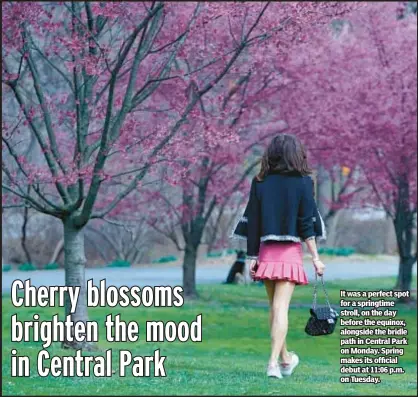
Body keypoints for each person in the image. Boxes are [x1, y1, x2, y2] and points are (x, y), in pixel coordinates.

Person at [230, 133, 327, 379]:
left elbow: (253, 222)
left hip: (265, 251)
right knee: (280, 307)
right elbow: (306, 223)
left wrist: (252, 256)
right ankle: (273, 363)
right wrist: (315, 257)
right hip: (289, 253)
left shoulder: (260, 181)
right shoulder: (305, 182)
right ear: (296, 154)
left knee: (275, 308)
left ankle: (285, 359)